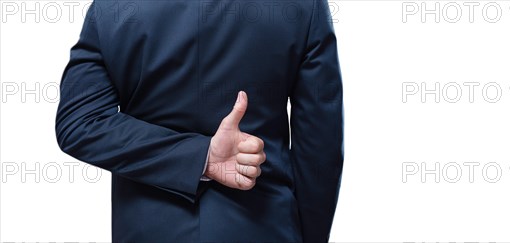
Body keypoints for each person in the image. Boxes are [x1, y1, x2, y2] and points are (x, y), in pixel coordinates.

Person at [55, 0, 344, 241]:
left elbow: (80, 123)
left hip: (148, 230)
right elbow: (321, 149)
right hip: (264, 227)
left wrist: (199, 158)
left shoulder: (113, 7)